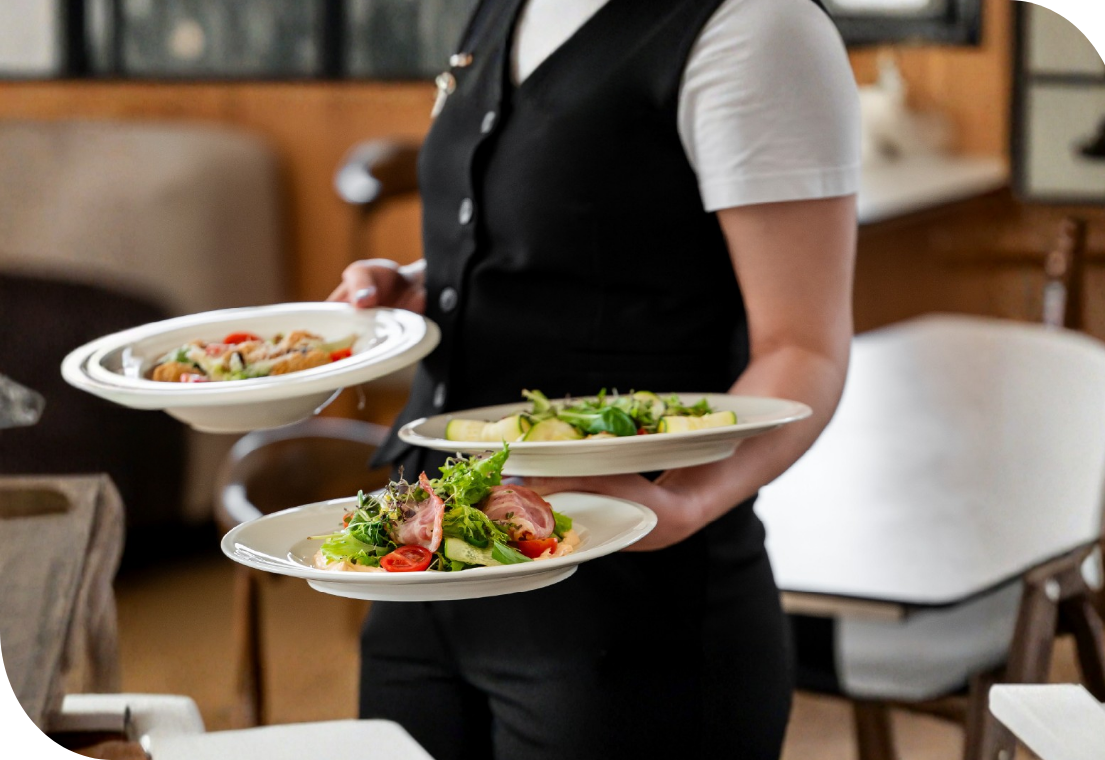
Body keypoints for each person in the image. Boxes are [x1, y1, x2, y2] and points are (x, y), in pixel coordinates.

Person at [328, 0, 859, 757]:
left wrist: (683, 500)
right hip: (424, 581)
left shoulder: (760, 27)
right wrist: (431, 284)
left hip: (628, 614)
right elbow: (579, 231)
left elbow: (806, 347)